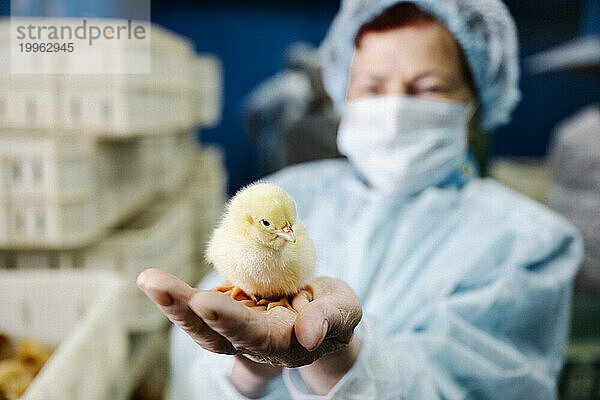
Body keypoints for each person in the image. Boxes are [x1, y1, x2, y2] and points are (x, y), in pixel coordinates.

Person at [137, 0, 583, 398]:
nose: (393, 108)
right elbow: (201, 354)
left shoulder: (529, 244)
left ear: (477, 106)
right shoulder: (290, 193)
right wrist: (247, 370)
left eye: (428, 87)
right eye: (371, 86)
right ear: (342, 93)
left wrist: (341, 360)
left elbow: (473, 386)